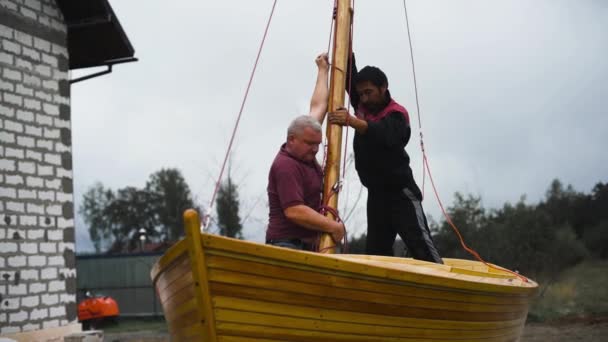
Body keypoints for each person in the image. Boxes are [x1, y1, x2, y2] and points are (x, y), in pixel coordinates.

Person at [327, 54, 443, 263]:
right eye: (361, 94)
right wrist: (346, 31)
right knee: (376, 254)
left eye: (369, 93)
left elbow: (386, 135)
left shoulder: (397, 114)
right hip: (376, 195)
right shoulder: (363, 105)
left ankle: (444, 288)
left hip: (401, 193)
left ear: (384, 88)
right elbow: (349, 72)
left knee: (422, 249)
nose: (363, 98)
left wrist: (353, 122)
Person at [266, 53, 345, 251]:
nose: (315, 149)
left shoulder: (304, 142)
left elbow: (318, 106)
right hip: (287, 245)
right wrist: (333, 226)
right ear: (291, 139)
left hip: (307, 245)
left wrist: (322, 70)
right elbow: (294, 211)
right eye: (310, 144)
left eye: (318, 144)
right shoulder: (286, 165)